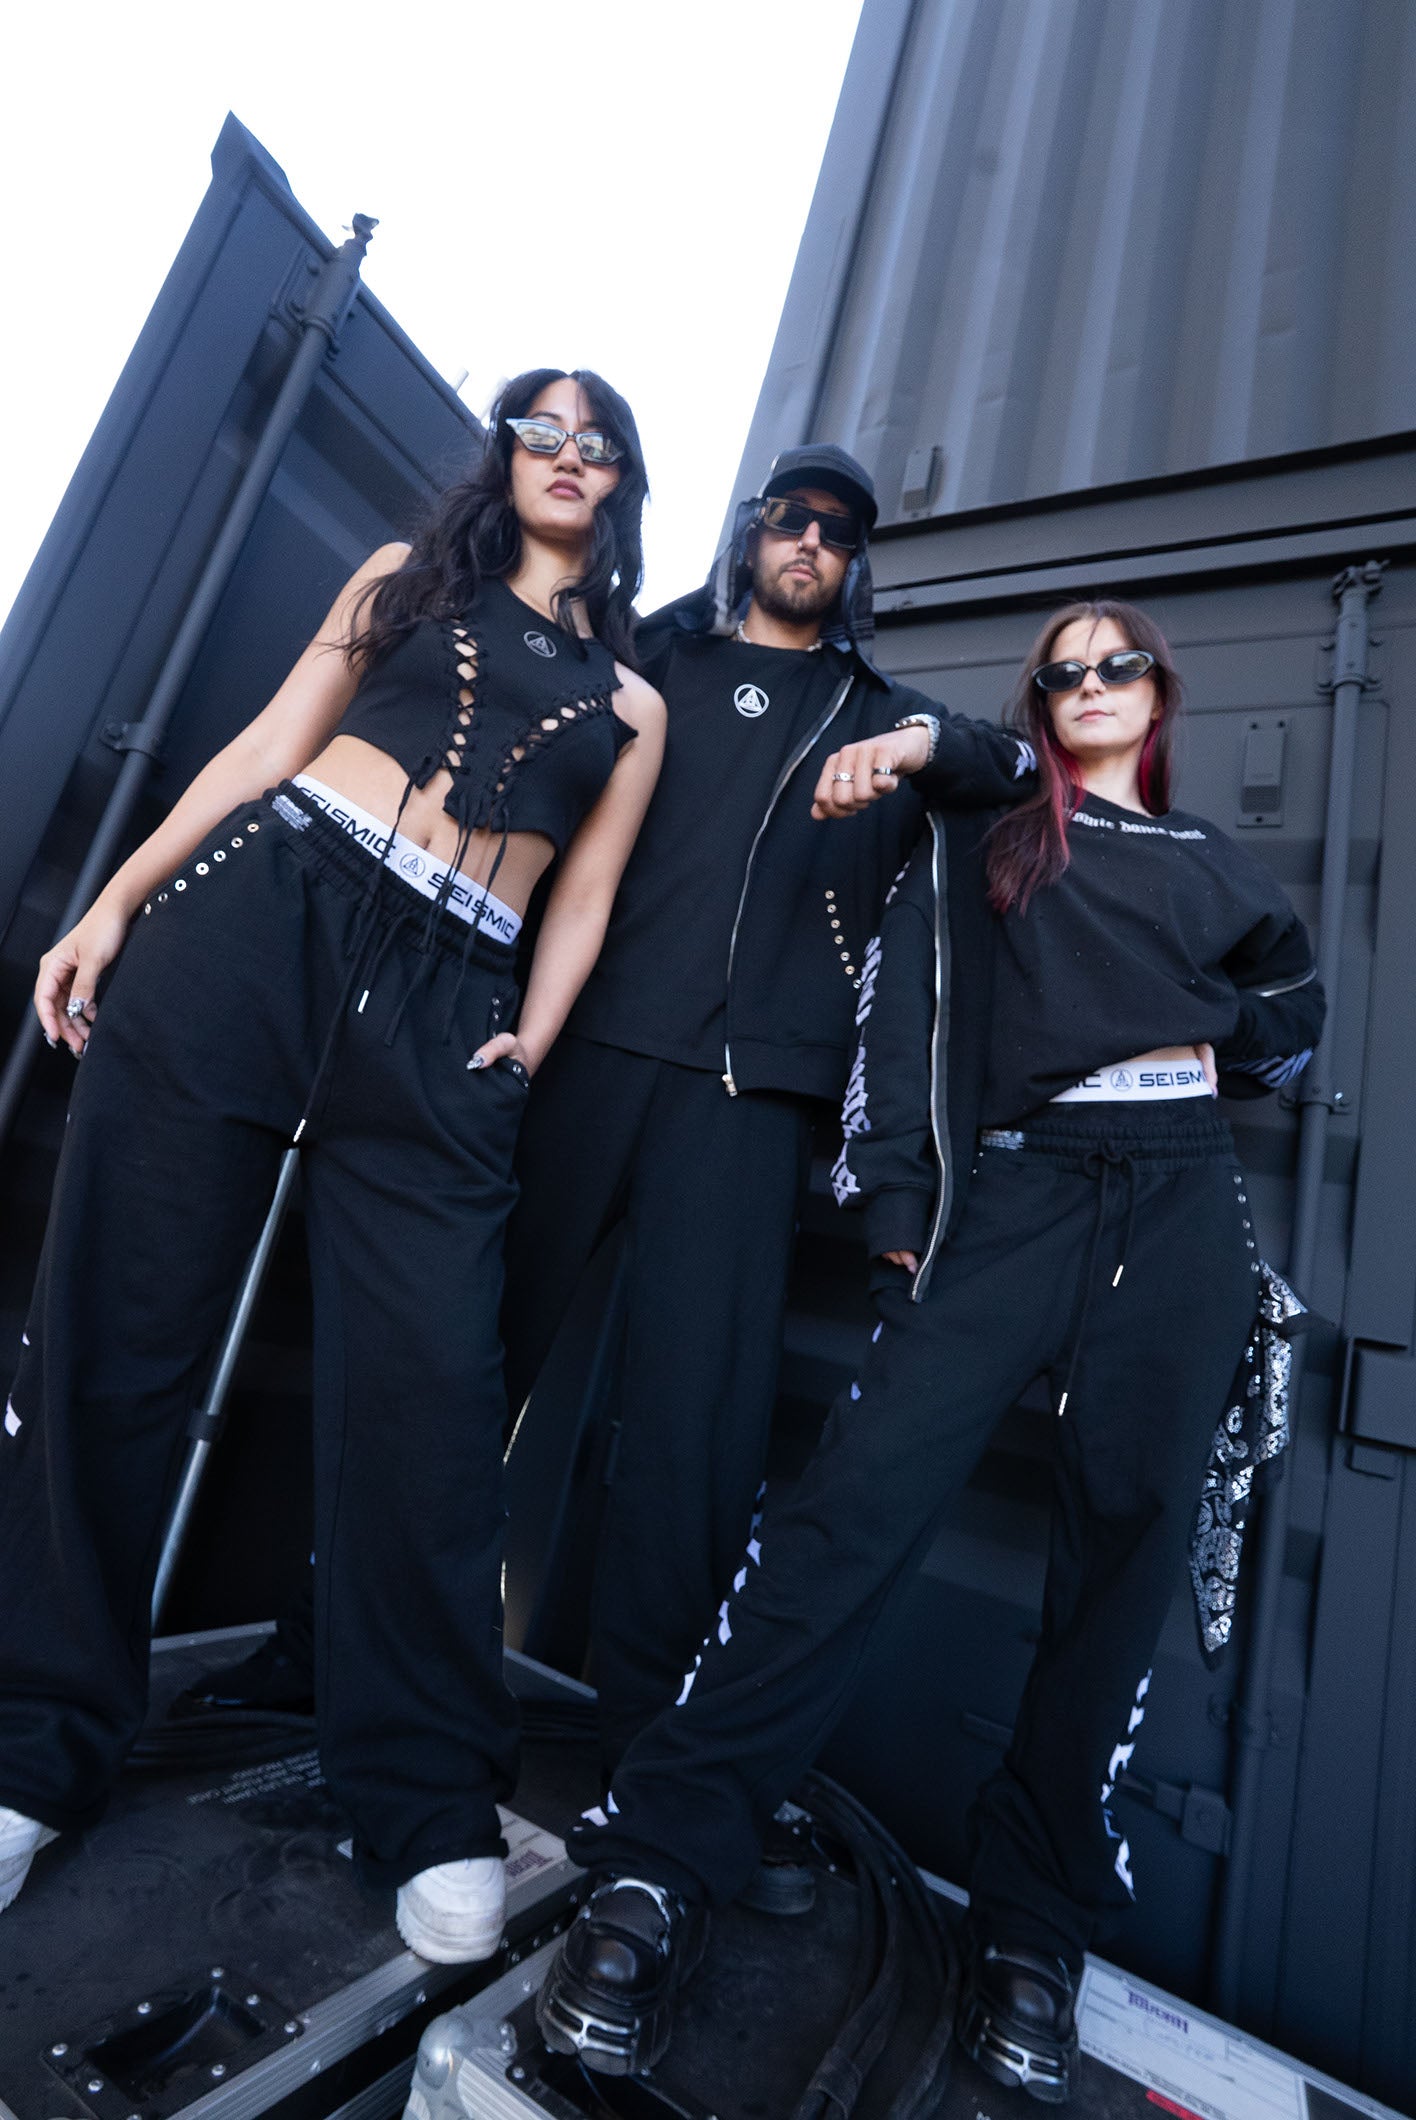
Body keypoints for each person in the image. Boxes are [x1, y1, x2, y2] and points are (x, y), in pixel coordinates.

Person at [533, 599, 1325, 2101]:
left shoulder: (1211, 859)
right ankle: (662, 1861)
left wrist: (1200, 1021)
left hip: (1182, 1210)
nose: (1092, 683)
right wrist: (898, 1202)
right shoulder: (994, 827)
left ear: (1159, 692)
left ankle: (1033, 1932)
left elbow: (1292, 1024)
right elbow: (898, 1018)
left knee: (1124, 1555)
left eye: (1119, 664)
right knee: (848, 1516)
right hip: (1017, 1194)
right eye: (1063, 671)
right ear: (1040, 704)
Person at [0, 368, 665, 1962]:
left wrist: (530, 1042)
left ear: (621, 484)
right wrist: (115, 903)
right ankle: (30, 1747)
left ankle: (426, 1798)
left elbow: (582, 900)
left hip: (454, 1003)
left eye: (597, 443)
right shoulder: (399, 579)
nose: (566, 456)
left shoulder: (637, 710)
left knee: (431, 1400)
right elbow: (265, 748)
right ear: (505, 456)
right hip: (266, 915)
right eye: (541, 429)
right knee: (119, 1332)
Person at [499, 444, 1038, 1780]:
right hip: (581, 1058)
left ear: (855, 567)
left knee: (695, 1429)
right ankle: (342, 1635)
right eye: (791, 519)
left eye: (837, 533)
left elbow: (1020, 770)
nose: (810, 542)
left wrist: (919, 744)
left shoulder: (879, 713)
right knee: (465, 1350)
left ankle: (644, 1749)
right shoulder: (650, 662)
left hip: (746, 1101)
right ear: (752, 532)